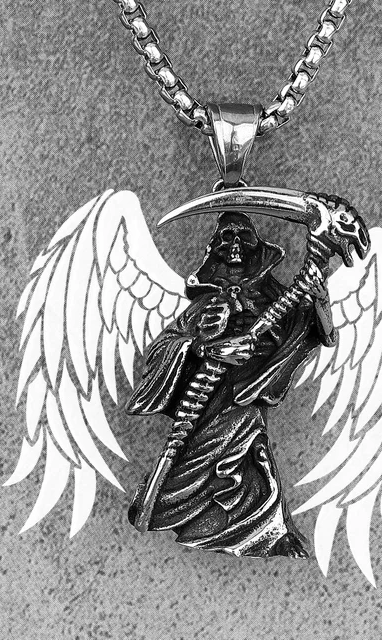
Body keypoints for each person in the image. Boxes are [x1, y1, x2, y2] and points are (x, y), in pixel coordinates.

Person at [127, 211, 335, 558]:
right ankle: (168, 509)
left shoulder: (276, 299)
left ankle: (270, 532)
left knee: (255, 452)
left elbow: (322, 333)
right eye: (226, 238)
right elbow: (165, 347)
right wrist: (206, 348)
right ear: (215, 251)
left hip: (250, 392)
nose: (235, 246)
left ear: (258, 247)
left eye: (243, 237)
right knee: (194, 460)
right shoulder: (204, 304)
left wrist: (321, 299)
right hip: (209, 397)